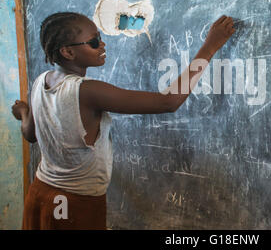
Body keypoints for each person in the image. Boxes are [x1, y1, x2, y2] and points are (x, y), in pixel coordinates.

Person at [11, 12, 235, 229]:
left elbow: (30, 134)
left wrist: (23, 112)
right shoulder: (87, 91)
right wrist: (210, 46)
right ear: (68, 52)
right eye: (93, 41)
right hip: (75, 203)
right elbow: (168, 102)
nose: (102, 45)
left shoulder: (42, 81)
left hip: (40, 193)